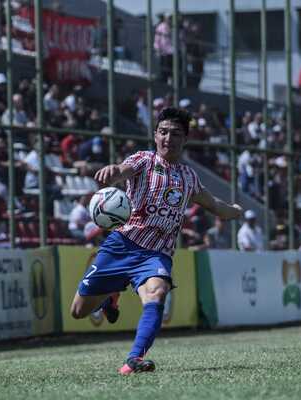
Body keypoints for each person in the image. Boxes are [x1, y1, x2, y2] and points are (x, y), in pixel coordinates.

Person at [69, 107, 243, 375]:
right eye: (163, 132)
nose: (167, 138)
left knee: (157, 293)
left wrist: (234, 211)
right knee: (78, 311)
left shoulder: (189, 177)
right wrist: (113, 171)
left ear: (185, 139)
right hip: (121, 245)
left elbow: (214, 205)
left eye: (174, 134)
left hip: (156, 254)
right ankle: (110, 297)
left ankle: (134, 359)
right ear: (155, 135)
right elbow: (122, 170)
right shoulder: (143, 160)